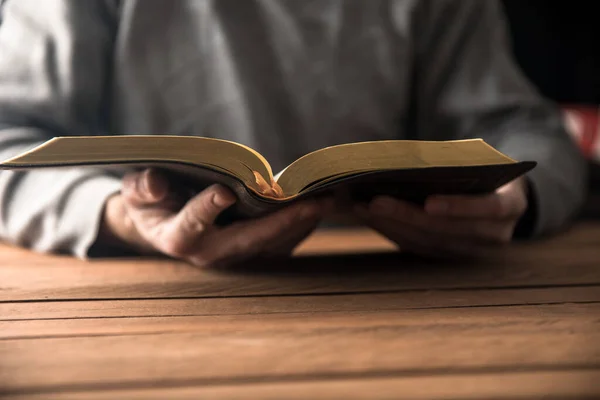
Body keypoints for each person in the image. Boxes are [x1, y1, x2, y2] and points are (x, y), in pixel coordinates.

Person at [0, 0, 587, 267]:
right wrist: (118, 219)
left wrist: (518, 201)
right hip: (140, 305)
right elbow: (9, 136)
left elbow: (529, 130)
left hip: (397, 289)